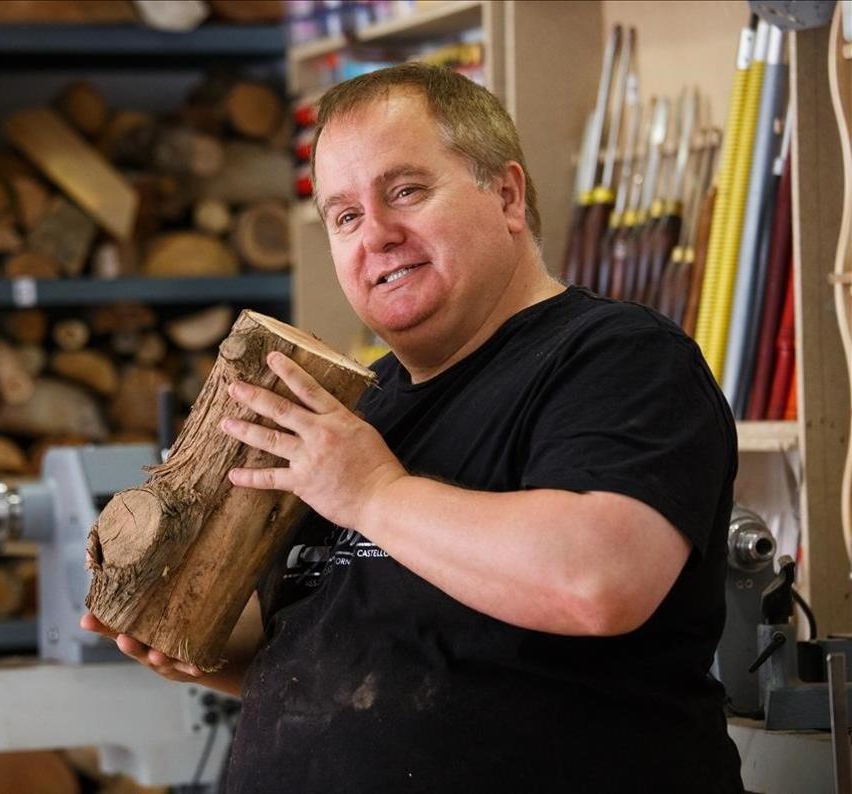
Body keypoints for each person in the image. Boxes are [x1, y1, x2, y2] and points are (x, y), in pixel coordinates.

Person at [83, 63, 744, 793]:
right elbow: (359, 647)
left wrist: (370, 492)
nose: (378, 235)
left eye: (406, 191)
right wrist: (202, 643)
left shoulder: (618, 356)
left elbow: (595, 581)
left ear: (507, 194)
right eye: (345, 216)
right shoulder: (355, 413)